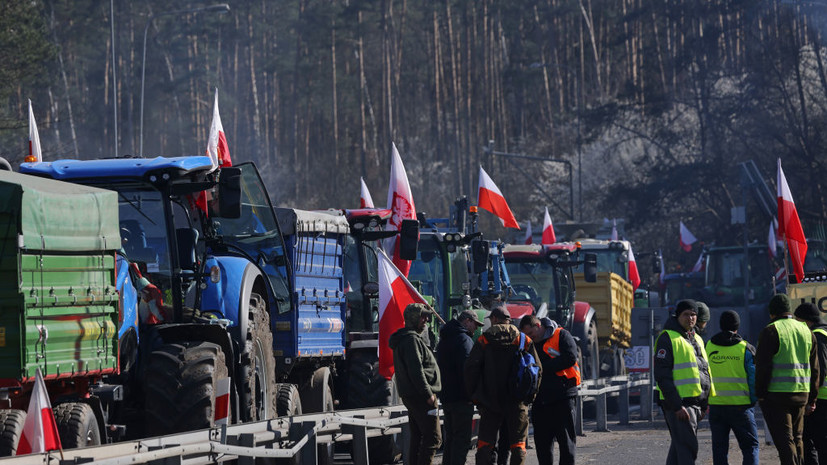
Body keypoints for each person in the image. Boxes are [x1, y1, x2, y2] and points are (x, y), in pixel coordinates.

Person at [465, 304, 541, 465]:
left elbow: (471, 369)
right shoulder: (523, 339)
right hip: (517, 400)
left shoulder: (484, 339)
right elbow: (537, 369)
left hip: (490, 401)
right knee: (518, 445)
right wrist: (529, 397)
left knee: (485, 444)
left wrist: (476, 397)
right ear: (509, 320)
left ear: (494, 319)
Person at [756, 294, 820, 465]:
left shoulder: (771, 330)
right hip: (802, 394)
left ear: (772, 313)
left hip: (777, 396)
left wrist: (760, 394)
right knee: (798, 439)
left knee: (784, 441)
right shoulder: (806, 331)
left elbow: (763, 367)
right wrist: (812, 398)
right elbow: (815, 369)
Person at [654, 299, 713, 465]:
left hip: (694, 404)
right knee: (688, 448)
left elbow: (703, 372)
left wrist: (703, 405)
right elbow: (662, 375)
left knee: (679, 448)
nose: (691, 318)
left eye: (693, 314)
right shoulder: (667, 338)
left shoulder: (697, 339)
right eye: (686, 314)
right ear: (677, 316)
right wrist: (676, 406)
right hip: (679, 405)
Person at [519, 314, 580, 465]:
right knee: (543, 445)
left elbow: (571, 357)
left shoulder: (561, 335)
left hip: (563, 397)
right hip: (541, 400)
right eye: (527, 336)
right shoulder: (529, 343)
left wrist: (542, 368)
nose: (530, 338)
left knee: (566, 443)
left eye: (531, 334)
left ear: (538, 326)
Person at [389, 303, 442, 465]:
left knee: (418, 437)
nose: (426, 320)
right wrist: (428, 395)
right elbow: (416, 370)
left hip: (413, 396)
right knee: (434, 438)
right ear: (413, 319)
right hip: (421, 397)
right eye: (422, 316)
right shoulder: (411, 340)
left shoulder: (407, 339)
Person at [704, 310, 759, 465]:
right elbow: (754, 378)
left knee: (719, 449)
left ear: (720, 326)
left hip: (716, 406)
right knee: (750, 447)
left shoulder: (708, 346)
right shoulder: (746, 349)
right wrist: (752, 401)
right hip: (741, 407)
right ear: (737, 327)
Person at [436, 310, 484, 465]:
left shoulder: (444, 339)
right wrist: (471, 395)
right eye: (475, 324)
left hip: (447, 397)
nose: (476, 329)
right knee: (462, 440)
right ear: (467, 321)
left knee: (450, 438)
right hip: (462, 399)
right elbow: (468, 371)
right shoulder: (464, 340)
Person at [793, 302, 827, 465]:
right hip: (821, 398)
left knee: (812, 442)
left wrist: (811, 399)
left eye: (798, 321)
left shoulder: (816, 336)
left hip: (820, 399)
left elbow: (818, 371)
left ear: (807, 321)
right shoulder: (824, 333)